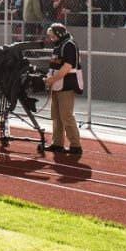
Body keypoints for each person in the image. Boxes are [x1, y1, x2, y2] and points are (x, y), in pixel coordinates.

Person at [43, 23, 83, 156]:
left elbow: (67, 66)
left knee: (66, 115)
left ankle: (75, 145)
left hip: (66, 84)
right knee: (56, 115)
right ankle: (57, 143)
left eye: (52, 36)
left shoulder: (69, 45)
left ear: (59, 34)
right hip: (57, 84)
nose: (51, 39)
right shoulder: (59, 45)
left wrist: (53, 79)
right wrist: (50, 78)